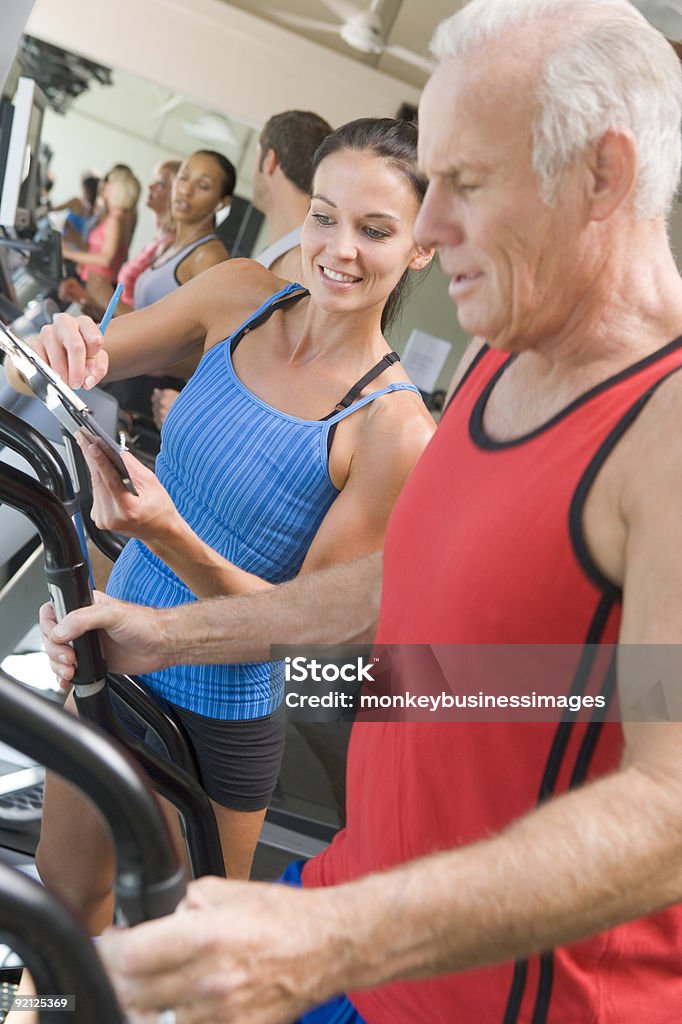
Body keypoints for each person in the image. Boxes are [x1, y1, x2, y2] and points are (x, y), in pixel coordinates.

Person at [39, 0, 682, 1021]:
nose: (424, 231)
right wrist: (166, 632)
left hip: (480, 993)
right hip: (357, 919)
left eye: (463, 184)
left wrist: (331, 935)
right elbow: (395, 588)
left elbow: (670, 807)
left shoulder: (665, 431)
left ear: (600, 176)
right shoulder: (505, 358)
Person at [18, 117, 434, 918]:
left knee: (177, 957)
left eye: (375, 230)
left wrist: (166, 531)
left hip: (218, 714)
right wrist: (66, 338)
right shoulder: (242, 293)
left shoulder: (393, 429)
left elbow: (302, 627)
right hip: (109, 654)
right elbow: (87, 356)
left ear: (423, 246)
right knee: (64, 904)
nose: (337, 248)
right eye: (324, 215)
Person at [150, 113, 332, 431]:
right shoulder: (275, 255)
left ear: (269, 160)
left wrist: (199, 411)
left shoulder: (302, 264)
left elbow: (278, 383)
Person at [102, 149, 234, 436]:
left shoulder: (208, 257)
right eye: (183, 178)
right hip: (128, 372)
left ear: (222, 202)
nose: (185, 190)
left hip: (152, 397)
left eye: (203, 186)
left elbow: (214, 353)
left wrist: (159, 357)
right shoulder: (170, 244)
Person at [60, 159, 181, 320]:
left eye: (161, 183)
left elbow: (143, 319)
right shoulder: (155, 240)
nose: (150, 186)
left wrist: (103, 297)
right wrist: (87, 298)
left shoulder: (120, 219)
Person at [61, 165, 140, 288]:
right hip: (91, 278)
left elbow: (106, 259)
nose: (104, 185)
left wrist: (69, 253)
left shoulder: (116, 220)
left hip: (100, 283)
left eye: (110, 183)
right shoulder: (111, 216)